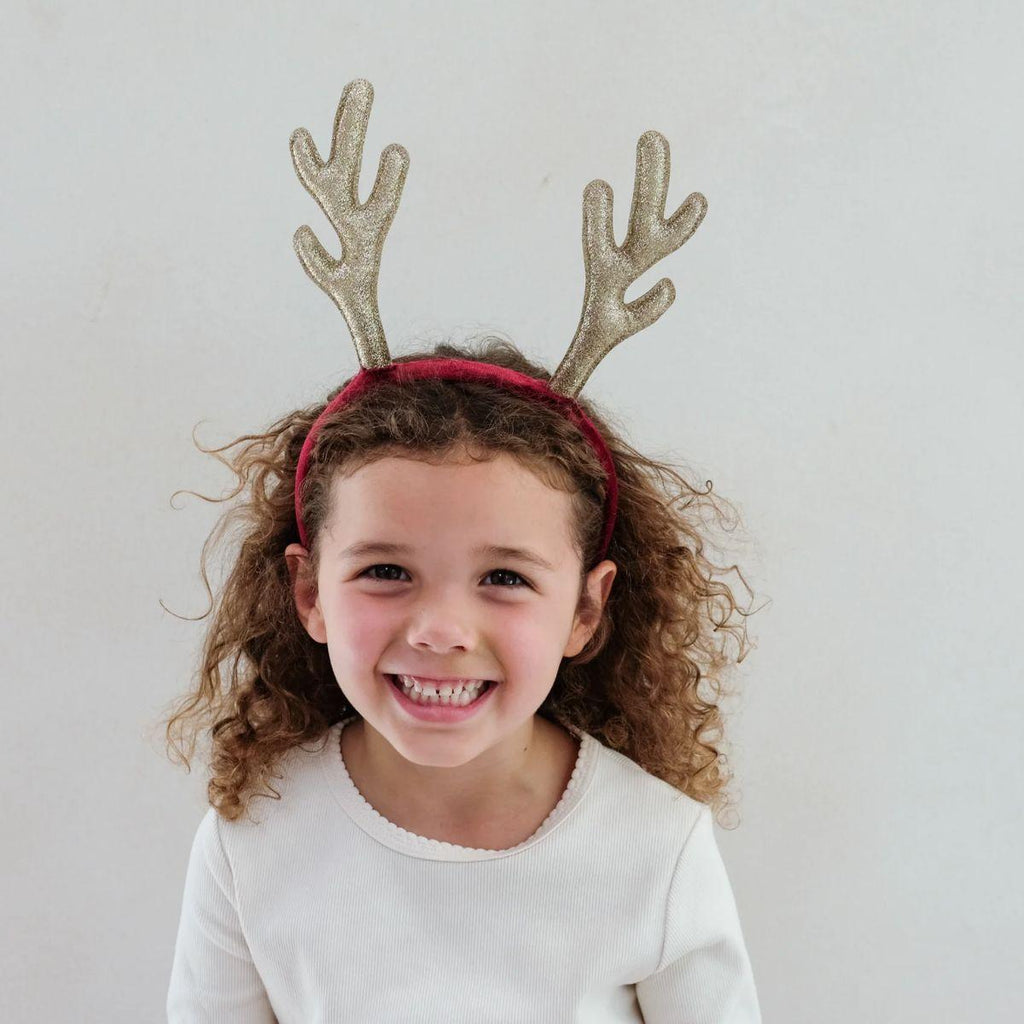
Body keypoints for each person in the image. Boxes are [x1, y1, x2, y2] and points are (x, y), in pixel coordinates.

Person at [163, 79, 763, 1022]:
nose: (441, 628)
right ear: (308, 589)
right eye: (386, 571)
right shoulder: (257, 834)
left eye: (505, 578)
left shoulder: (654, 846)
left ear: (587, 609)